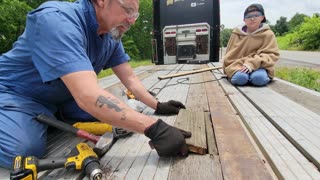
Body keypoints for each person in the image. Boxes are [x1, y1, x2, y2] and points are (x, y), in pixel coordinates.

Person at [0, 0, 191, 168]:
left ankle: (49, 119)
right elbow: (88, 95)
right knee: (21, 150)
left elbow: (131, 79)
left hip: (63, 99)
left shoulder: (111, 36)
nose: (132, 20)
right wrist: (155, 128)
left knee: (122, 113)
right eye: (128, 10)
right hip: (16, 93)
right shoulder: (56, 21)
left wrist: (157, 106)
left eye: (135, 14)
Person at [223, 3, 280, 86]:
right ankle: (246, 77)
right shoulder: (236, 33)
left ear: (262, 17)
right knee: (240, 79)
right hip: (238, 66)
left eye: (256, 15)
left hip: (260, 66)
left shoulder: (268, 34)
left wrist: (251, 64)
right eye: (248, 16)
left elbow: (272, 55)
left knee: (258, 79)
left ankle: (253, 77)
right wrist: (236, 66)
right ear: (244, 20)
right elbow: (229, 55)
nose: (252, 18)